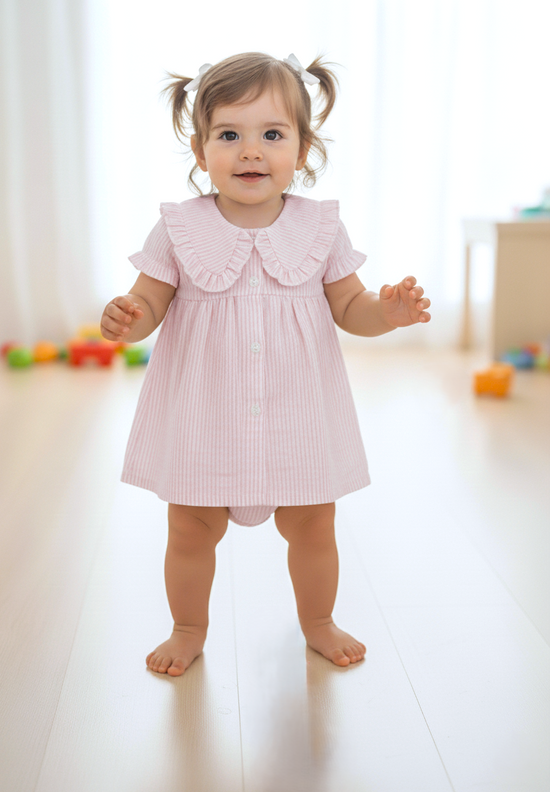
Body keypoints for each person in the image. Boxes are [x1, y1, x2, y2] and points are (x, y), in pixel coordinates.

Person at [100, 52, 431, 677]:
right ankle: (188, 627)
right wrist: (128, 318)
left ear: (302, 149)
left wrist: (386, 312)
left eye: (272, 135)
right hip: (205, 415)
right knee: (190, 531)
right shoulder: (178, 228)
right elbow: (150, 303)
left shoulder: (320, 227)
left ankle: (318, 620)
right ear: (200, 151)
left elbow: (349, 307)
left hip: (295, 415)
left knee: (314, 527)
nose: (251, 151)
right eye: (229, 135)